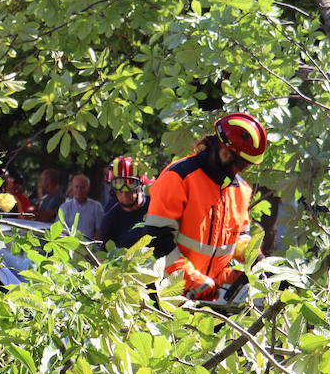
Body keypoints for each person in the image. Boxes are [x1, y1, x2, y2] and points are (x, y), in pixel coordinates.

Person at [144, 112, 268, 300]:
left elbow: (239, 237)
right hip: (170, 290)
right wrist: (189, 279)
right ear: (225, 153)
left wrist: (257, 261)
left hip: (211, 293)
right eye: (240, 164)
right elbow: (158, 238)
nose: (241, 170)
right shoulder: (180, 176)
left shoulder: (240, 189)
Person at [100, 159, 149, 250]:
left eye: (130, 185)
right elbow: (103, 258)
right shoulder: (110, 221)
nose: (124, 193)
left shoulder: (156, 208)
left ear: (140, 185)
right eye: (118, 185)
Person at [59, 174, 104, 240]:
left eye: (82, 187)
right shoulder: (64, 207)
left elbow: (100, 230)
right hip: (69, 244)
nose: (79, 190)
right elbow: (60, 229)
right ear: (72, 188)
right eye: (76, 187)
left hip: (88, 246)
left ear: (88, 188)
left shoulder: (96, 207)